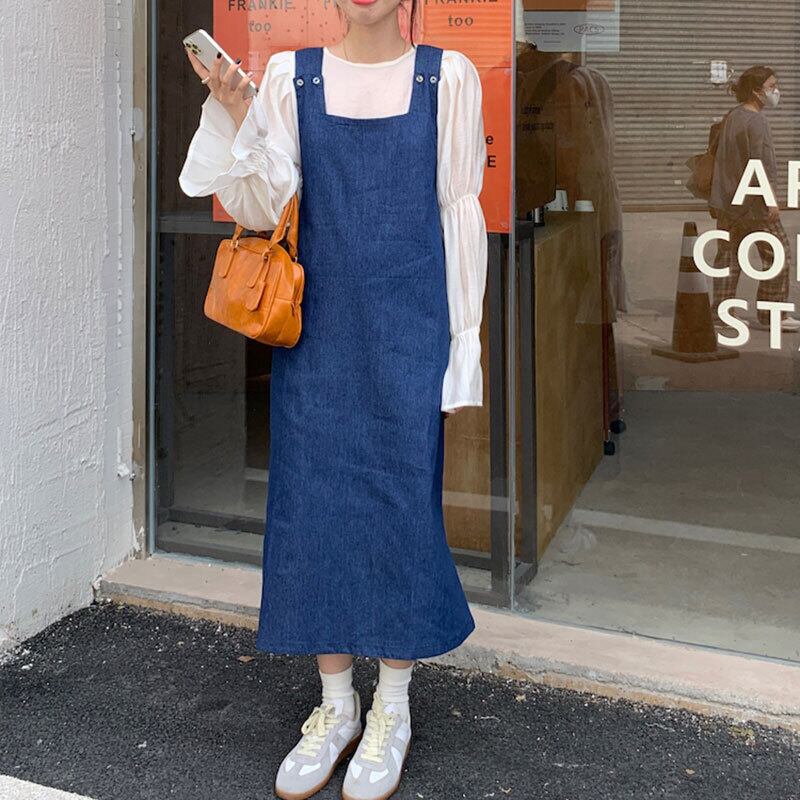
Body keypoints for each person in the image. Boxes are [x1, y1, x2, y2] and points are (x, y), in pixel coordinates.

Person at [178, 1, 488, 798]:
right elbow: (264, 207)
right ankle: (336, 705)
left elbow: (459, 213)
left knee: (400, 506)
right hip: (317, 332)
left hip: (410, 330)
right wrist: (238, 113)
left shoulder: (448, 77)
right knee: (313, 505)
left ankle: (393, 708)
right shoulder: (291, 76)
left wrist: (465, 346)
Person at [709, 65, 800, 332]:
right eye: (771, 87)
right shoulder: (757, 121)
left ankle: (721, 314)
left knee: (729, 257)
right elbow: (758, 163)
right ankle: (773, 314)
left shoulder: (733, 116)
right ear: (756, 91)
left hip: (727, 200)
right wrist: (770, 200)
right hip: (753, 204)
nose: (776, 92)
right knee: (778, 253)